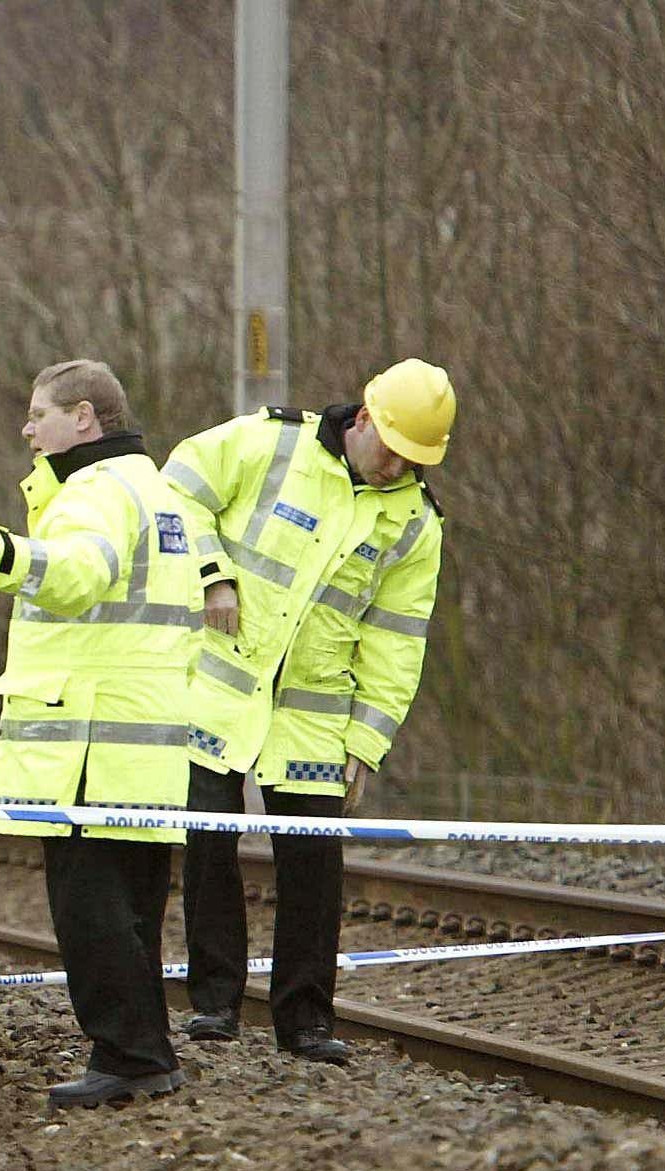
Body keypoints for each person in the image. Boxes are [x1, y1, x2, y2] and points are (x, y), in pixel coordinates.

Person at [0, 360, 202, 1107]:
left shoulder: (95, 490)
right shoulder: (158, 491)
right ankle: (143, 1052)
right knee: (134, 911)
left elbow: (79, 574)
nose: (27, 429)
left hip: (89, 742)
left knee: (91, 910)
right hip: (141, 739)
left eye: (38, 413)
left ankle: (128, 1056)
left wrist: (3, 555)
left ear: (84, 418)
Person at [164, 359, 452, 1064]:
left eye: (415, 459)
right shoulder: (269, 445)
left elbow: (395, 641)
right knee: (207, 846)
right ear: (362, 421)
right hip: (222, 691)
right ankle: (214, 1003)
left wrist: (367, 740)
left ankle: (306, 1019)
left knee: (314, 866)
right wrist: (211, 574)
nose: (399, 468)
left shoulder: (416, 523)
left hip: (315, 717)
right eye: (393, 451)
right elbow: (176, 489)